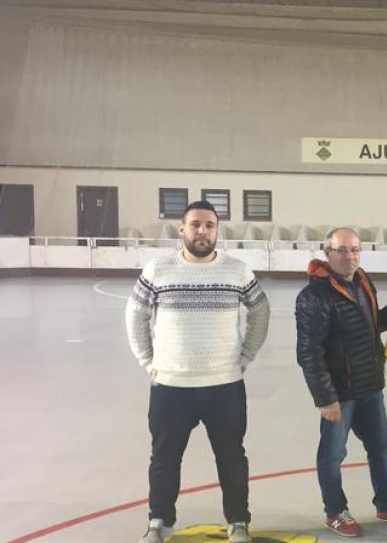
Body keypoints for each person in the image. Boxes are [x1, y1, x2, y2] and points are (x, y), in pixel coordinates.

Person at [125, 200, 271, 543]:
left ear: (217, 231)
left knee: (232, 457)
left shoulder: (237, 271)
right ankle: (159, 522)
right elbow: (135, 314)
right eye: (195, 225)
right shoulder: (158, 270)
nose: (202, 231)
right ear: (182, 229)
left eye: (209, 225)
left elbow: (260, 311)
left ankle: (238, 522)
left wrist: (245, 356)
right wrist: (148, 361)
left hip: (225, 386)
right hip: (170, 387)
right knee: (164, 459)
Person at [295, 227, 387, 538]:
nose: (349, 256)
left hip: (369, 386)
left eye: (354, 250)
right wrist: (325, 398)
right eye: (341, 250)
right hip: (339, 393)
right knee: (332, 455)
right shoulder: (314, 296)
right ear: (327, 252)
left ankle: (386, 504)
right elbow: (309, 352)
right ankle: (335, 512)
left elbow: (371, 324)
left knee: (380, 446)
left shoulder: (363, 282)